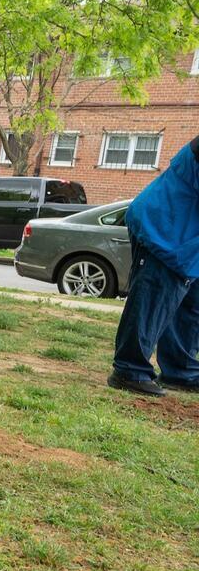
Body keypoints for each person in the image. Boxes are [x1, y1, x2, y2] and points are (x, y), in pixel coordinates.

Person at [108, 134, 199, 396]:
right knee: (154, 297)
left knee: (191, 306)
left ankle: (181, 371)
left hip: (188, 238)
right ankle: (129, 369)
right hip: (165, 228)